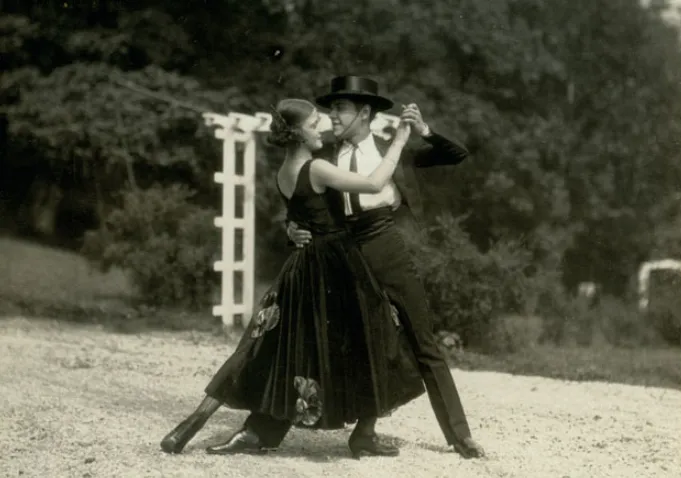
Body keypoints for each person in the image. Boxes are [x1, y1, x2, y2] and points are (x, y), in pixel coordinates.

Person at [160, 98, 425, 459]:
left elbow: (302, 214)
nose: (324, 127)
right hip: (336, 267)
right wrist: (398, 140)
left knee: (266, 348)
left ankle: (207, 425)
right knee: (373, 337)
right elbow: (375, 181)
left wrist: (293, 229)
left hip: (300, 269)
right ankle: (363, 433)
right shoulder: (316, 168)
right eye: (315, 123)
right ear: (299, 133)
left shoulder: (284, 172)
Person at [286, 76, 486, 459]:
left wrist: (425, 130)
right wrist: (290, 229)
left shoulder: (396, 149)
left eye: (340, 108)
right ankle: (363, 434)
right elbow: (300, 202)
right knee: (363, 340)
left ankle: (461, 437)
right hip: (345, 250)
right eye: (330, 109)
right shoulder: (323, 156)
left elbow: (457, 154)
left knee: (422, 340)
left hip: (389, 245)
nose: (332, 117)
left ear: (364, 113)